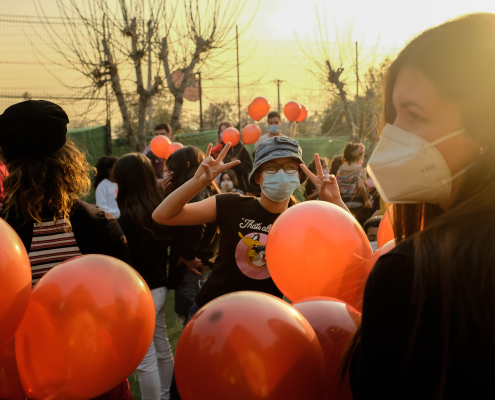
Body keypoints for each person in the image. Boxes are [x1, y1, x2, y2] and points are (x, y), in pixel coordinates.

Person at [346, 13, 495, 399]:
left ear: (484, 127)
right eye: (394, 116)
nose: (393, 135)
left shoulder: (412, 274)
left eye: (414, 115)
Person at [152, 136, 347, 400]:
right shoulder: (232, 204)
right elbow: (163, 215)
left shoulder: (303, 219)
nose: (281, 174)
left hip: (265, 323)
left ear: (299, 176)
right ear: (257, 177)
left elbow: (352, 247)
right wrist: (198, 181)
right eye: (272, 167)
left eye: (290, 168)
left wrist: (335, 201)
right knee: (190, 389)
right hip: (211, 314)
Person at [0, 100, 132, 399]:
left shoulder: (3, 236)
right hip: (98, 376)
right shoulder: (100, 225)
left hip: (24, 380)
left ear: (7, 163)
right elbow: (125, 307)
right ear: (67, 158)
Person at [113, 153, 174, 400]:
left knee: (145, 358)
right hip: (160, 289)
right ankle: (167, 395)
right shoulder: (160, 210)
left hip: (142, 293)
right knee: (162, 346)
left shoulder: (127, 219)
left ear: (126, 182)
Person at [163, 146, 220, 324]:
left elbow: (193, 226)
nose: (169, 176)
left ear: (186, 165)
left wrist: (188, 255)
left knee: (193, 329)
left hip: (193, 273)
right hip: (207, 269)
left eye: (172, 170)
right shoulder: (209, 190)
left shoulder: (194, 194)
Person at [336, 143, 373, 225]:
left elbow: (337, 185)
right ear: (359, 156)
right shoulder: (360, 169)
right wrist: (366, 200)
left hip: (344, 204)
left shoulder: (341, 168)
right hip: (358, 204)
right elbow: (360, 185)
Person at [211, 121, 253, 194]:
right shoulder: (218, 148)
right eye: (221, 131)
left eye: (225, 130)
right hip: (223, 185)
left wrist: (238, 164)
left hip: (240, 186)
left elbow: (249, 167)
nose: (223, 133)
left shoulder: (241, 148)